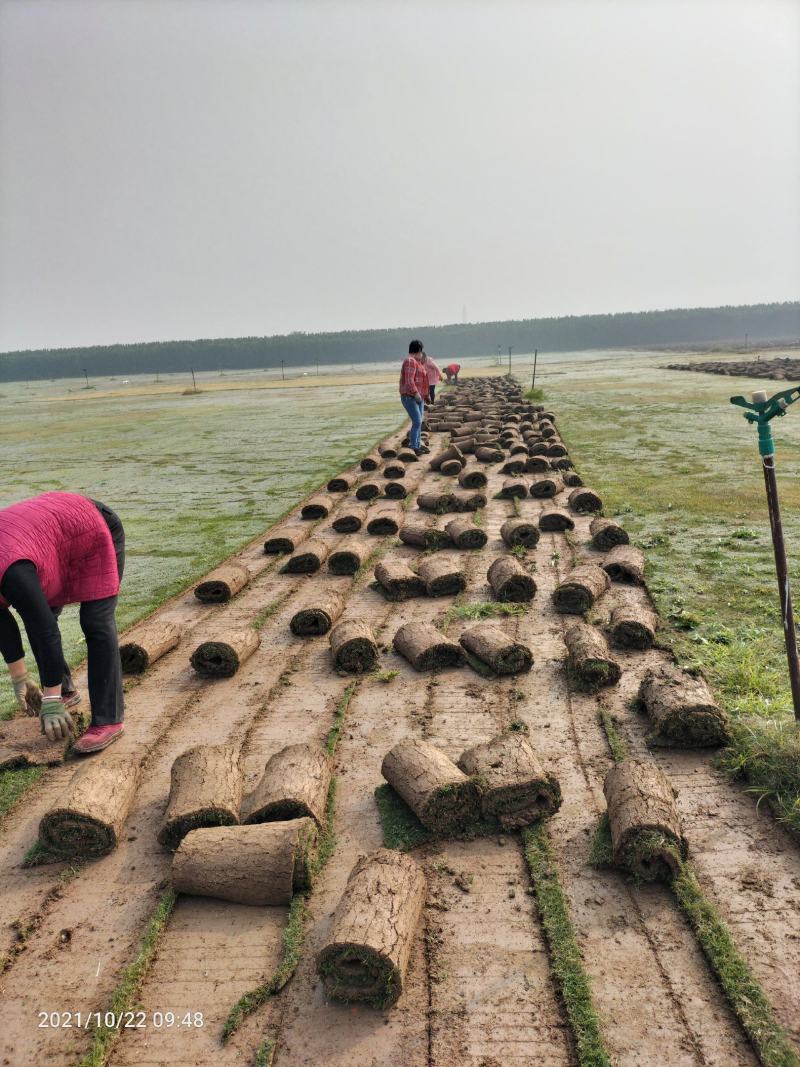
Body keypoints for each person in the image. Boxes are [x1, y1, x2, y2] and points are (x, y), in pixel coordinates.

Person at [0, 492, 126, 754]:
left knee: (95, 621)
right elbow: (2, 623)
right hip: (52, 540)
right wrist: (20, 678)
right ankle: (65, 690)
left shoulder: (11, 569)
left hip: (94, 528)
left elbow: (44, 630)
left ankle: (108, 719)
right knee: (38, 613)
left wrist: (51, 699)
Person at [399, 340, 430, 455]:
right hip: (410, 397)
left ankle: (417, 445)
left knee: (419, 422)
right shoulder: (410, 361)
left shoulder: (418, 363)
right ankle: (414, 446)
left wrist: (425, 396)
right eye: (421, 351)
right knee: (416, 421)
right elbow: (409, 380)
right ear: (419, 350)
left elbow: (423, 382)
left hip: (419, 398)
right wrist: (416, 393)